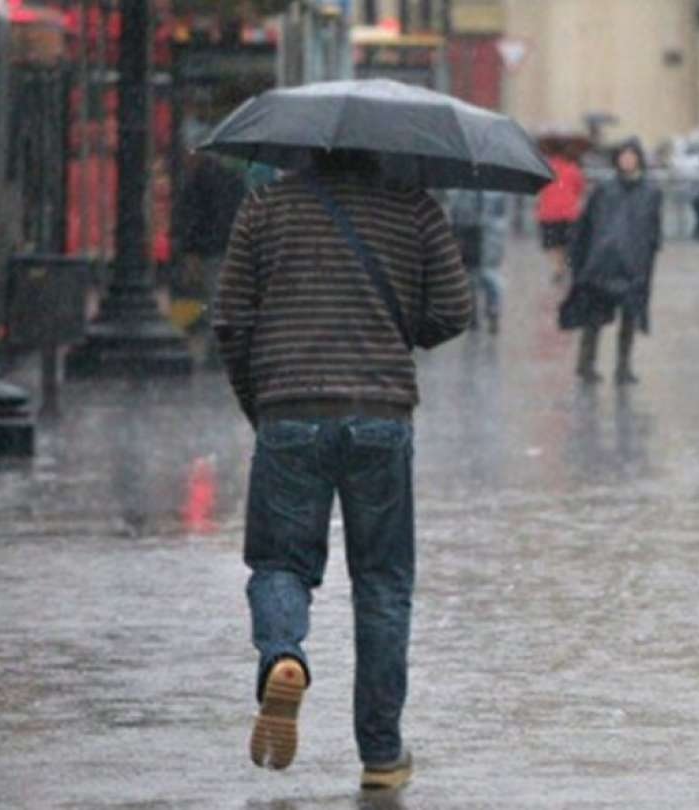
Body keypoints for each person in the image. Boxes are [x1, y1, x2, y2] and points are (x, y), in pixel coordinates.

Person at [213, 148, 472, 790]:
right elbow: (454, 311)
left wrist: (261, 401)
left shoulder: (265, 207)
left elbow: (230, 319)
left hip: (289, 408)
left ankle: (283, 656)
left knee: (279, 562)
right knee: (382, 584)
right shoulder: (415, 208)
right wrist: (391, 324)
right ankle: (382, 755)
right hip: (381, 412)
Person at [559, 138, 662, 385]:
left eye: (631, 155)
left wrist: (646, 255)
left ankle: (623, 367)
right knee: (594, 317)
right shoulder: (605, 190)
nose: (627, 160)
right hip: (603, 263)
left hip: (632, 264)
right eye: (623, 155)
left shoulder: (650, 192)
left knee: (628, 317)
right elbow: (587, 225)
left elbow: (652, 229)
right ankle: (586, 364)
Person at [177, 151, 246, 365]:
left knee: (214, 300)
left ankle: (217, 352)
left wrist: (191, 250)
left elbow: (192, 217)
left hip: (211, 250)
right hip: (231, 247)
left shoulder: (197, 181)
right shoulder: (234, 179)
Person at [445, 189, 509, 334]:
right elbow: (500, 216)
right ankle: (490, 310)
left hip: (471, 235)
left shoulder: (458, 188)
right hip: (483, 236)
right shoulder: (494, 190)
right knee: (487, 275)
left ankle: (477, 313)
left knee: (473, 276)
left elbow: (454, 214)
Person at [537, 149, 586, 285]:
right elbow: (580, 188)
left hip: (548, 213)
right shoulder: (574, 169)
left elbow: (538, 188)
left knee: (552, 245)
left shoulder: (544, 169)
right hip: (568, 213)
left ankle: (558, 268)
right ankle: (562, 266)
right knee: (565, 243)